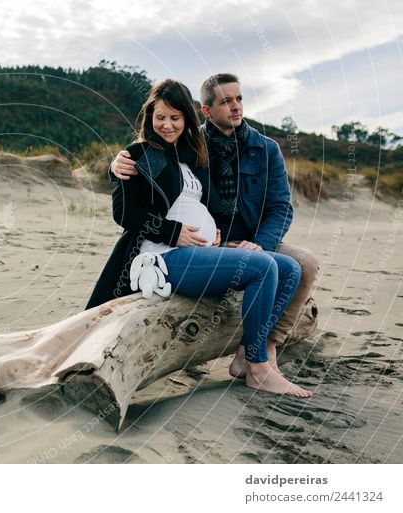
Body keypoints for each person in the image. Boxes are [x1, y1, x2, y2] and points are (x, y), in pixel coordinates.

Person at [86, 78, 312, 397]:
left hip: (200, 252)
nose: (167, 125)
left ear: (187, 120)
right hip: (162, 258)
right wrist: (173, 231)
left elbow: (216, 204)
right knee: (263, 268)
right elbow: (124, 214)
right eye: (160, 117)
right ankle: (259, 368)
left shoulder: (191, 156)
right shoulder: (141, 154)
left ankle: (247, 356)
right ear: (149, 117)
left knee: (289, 268)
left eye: (175, 118)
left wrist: (214, 232)